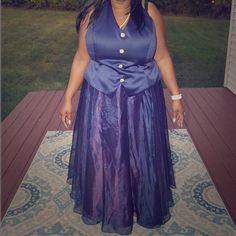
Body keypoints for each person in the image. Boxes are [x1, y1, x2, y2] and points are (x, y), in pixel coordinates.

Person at [60, 0, 185, 234]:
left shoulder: (150, 12)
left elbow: (163, 57)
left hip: (142, 100)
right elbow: (81, 58)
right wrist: (68, 97)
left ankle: (142, 203)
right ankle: (103, 205)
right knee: (103, 155)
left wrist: (176, 97)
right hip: (100, 100)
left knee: (142, 153)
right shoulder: (92, 14)